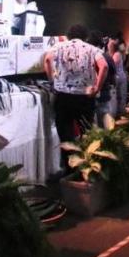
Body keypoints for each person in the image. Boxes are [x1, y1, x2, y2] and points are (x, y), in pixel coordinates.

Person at [43, 26, 108, 168]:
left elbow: (48, 60)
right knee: (87, 133)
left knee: (66, 136)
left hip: (63, 97)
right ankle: (87, 166)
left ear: (68, 35)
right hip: (84, 97)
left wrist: (52, 81)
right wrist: (97, 87)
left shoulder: (59, 46)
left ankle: (69, 168)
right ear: (85, 36)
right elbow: (104, 66)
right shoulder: (92, 49)